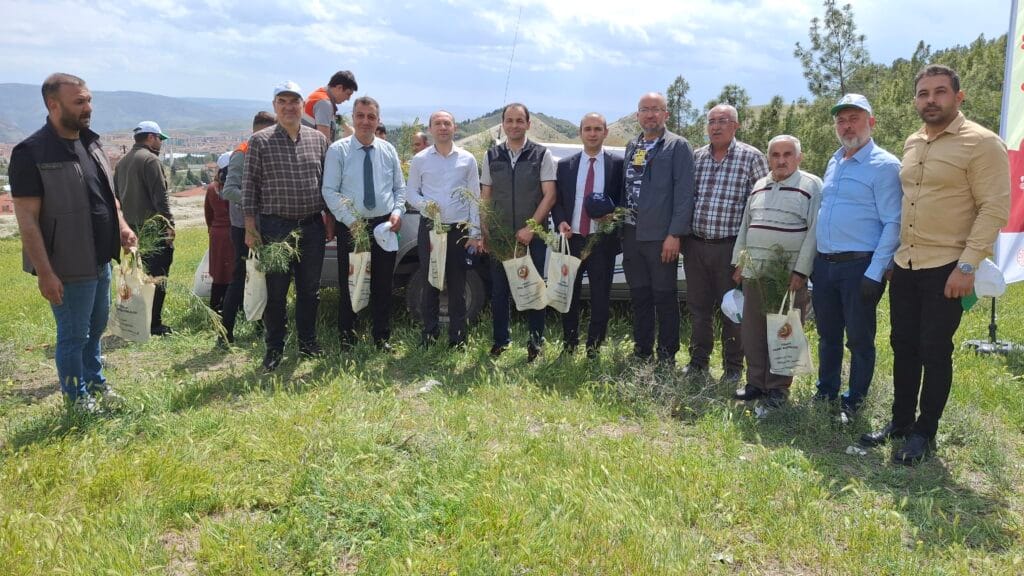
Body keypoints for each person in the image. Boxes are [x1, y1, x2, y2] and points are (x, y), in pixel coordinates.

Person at [860, 65, 1010, 464]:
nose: (931, 100)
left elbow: (994, 207)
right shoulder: (913, 143)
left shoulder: (982, 143)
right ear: (915, 101)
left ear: (958, 97)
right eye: (923, 93)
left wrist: (967, 266)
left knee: (933, 349)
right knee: (902, 345)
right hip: (907, 264)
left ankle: (925, 434)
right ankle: (900, 423)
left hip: (948, 267)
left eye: (939, 92)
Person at [9, 72, 137, 411]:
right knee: (73, 335)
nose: (88, 107)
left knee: (94, 329)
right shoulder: (30, 153)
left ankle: (95, 383)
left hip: (99, 258)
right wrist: (45, 272)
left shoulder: (90, 143)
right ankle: (76, 398)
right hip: (65, 264)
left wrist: (122, 226)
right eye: (79, 102)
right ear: (54, 105)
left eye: (89, 100)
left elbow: (109, 199)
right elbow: (28, 221)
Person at [812, 94, 902, 417]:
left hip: (860, 266)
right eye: (841, 120)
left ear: (871, 122)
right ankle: (826, 392)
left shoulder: (886, 166)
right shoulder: (835, 160)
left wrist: (875, 272)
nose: (847, 126)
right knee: (827, 334)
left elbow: (894, 221)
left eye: (854, 118)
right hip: (824, 265)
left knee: (859, 339)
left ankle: (854, 401)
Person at [243, 81, 330, 371]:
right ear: (275, 106)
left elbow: (325, 184)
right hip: (275, 228)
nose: (289, 107)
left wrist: (327, 221)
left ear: (301, 105)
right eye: (282, 101)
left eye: (294, 101)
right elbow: (249, 187)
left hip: (312, 227)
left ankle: (308, 343)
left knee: (309, 290)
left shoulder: (318, 140)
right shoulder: (260, 141)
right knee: (276, 292)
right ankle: (274, 348)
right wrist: (250, 227)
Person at [731, 135, 821, 408]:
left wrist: (801, 270)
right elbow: (746, 226)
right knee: (752, 331)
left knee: (785, 330)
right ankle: (756, 383)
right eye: (775, 155)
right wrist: (740, 263)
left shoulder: (811, 185)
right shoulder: (760, 185)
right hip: (755, 273)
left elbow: (814, 232)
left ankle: (778, 388)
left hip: (787, 276)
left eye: (787, 154)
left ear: (799, 157)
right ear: (768, 158)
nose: (781, 160)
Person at [684, 104, 768, 382]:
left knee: (732, 310)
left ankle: (733, 369)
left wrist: (746, 256)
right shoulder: (696, 158)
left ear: (736, 125)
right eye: (711, 121)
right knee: (698, 309)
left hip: (730, 248)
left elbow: (761, 209)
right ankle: (698, 363)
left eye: (723, 121)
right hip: (696, 245)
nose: (716, 126)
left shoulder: (751, 157)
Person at [322, 96, 406, 351]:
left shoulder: (388, 150)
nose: (366, 121)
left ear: (378, 120)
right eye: (360, 116)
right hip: (351, 226)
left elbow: (399, 188)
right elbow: (329, 191)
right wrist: (349, 221)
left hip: (383, 226)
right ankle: (347, 337)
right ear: (353, 118)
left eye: (371, 117)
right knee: (351, 282)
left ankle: (381, 337)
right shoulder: (339, 150)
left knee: (382, 283)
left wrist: (398, 211)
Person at [480, 102, 557, 363]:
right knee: (500, 291)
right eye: (509, 120)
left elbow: (549, 196)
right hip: (500, 236)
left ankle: (535, 343)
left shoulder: (541, 154)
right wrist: (485, 230)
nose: (514, 125)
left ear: (528, 124)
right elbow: (485, 197)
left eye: (519, 120)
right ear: (503, 123)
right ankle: (501, 341)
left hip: (532, 237)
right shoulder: (491, 156)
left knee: (534, 289)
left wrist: (531, 228)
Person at [621, 92, 695, 364]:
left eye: (656, 109)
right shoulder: (633, 145)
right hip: (631, 233)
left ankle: (667, 355)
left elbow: (685, 193)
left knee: (664, 296)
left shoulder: (678, 146)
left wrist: (675, 235)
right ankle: (642, 351)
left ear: (666, 114)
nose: (650, 114)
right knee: (639, 295)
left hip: (661, 236)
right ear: (637, 114)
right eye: (645, 109)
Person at [406, 110, 481, 348]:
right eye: (437, 123)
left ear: (454, 128)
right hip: (430, 228)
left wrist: (475, 232)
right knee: (431, 281)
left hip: (459, 230)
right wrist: (424, 204)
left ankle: (458, 338)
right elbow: (410, 192)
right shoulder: (420, 160)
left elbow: (474, 197)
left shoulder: (467, 159)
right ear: (430, 129)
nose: (442, 127)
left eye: (447, 123)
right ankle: (429, 334)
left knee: (458, 284)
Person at [552, 112, 624, 358]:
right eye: (588, 129)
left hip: (601, 241)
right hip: (572, 240)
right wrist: (561, 221)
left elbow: (623, 200)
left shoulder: (617, 165)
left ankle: (593, 347)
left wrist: (613, 217)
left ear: (605, 132)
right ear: (580, 133)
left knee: (600, 296)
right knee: (568, 294)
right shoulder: (565, 166)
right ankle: (569, 344)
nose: (592, 133)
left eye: (597, 129)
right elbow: (557, 200)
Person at [218, 111, 276, 343]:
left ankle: (261, 326)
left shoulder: (264, 151)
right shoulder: (242, 153)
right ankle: (225, 332)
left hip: (264, 224)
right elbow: (229, 190)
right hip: (243, 226)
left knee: (264, 277)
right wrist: (259, 201)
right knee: (241, 277)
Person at [114, 120, 175, 336]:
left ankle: (139, 321)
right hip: (153, 228)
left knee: (138, 278)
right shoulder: (150, 160)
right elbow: (161, 198)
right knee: (157, 277)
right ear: (151, 137)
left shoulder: (122, 163)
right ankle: (154, 324)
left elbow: (117, 198)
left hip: (131, 230)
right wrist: (169, 226)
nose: (161, 143)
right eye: (160, 138)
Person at [204, 152, 234, 313]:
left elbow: (208, 214)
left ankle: (215, 307)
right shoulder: (236, 188)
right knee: (234, 272)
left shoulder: (211, 189)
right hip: (234, 232)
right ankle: (234, 307)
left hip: (217, 234)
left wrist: (212, 228)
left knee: (219, 272)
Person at [302, 70, 358, 141]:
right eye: (348, 94)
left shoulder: (319, 95)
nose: (348, 99)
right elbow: (324, 141)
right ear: (339, 88)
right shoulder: (324, 103)